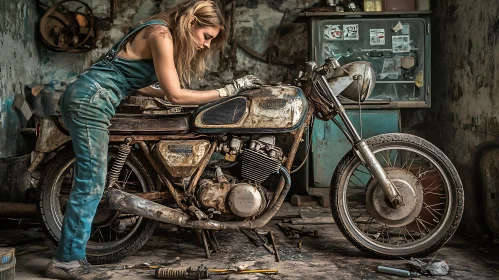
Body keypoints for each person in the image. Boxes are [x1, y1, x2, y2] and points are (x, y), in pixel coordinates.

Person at [45, 0, 262, 279]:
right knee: (91, 183)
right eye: (207, 36)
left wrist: (169, 94)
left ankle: (71, 257)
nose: (207, 45)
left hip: (90, 96)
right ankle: (65, 262)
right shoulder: (161, 36)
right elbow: (176, 94)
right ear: (191, 22)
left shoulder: (158, 31)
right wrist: (228, 90)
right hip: (91, 101)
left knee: (93, 181)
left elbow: (130, 78)